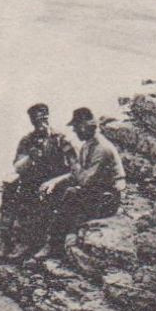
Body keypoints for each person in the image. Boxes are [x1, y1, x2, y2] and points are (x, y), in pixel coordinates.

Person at [39, 107, 126, 256]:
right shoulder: (88, 145)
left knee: (71, 194)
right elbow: (76, 175)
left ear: (86, 126)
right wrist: (54, 182)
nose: (75, 131)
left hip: (108, 198)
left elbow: (85, 180)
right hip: (95, 191)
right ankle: (50, 240)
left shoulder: (102, 149)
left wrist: (71, 157)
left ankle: (54, 244)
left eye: (76, 127)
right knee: (56, 191)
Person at [2, 103, 74, 258]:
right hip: (34, 181)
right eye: (36, 120)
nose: (40, 123)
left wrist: (56, 180)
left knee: (46, 202)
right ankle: (10, 239)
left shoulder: (60, 139)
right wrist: (30, 157)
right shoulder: (27, 140)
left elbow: (74, 167)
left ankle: (43, 244)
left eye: (43, 118)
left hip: (57, 181)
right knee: (13, 192)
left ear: (48, 117)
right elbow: (17, 166)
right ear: (31, 121)